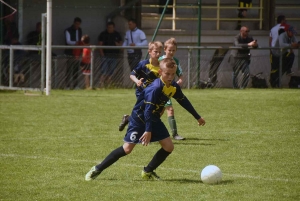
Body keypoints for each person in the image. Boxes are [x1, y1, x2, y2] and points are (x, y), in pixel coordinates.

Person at [85, 58, 206, 181]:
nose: (170, 77)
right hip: (140, 118)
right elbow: (147, 110)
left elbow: (183, 101)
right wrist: (147, 131)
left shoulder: (173, 87)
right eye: (167, 74)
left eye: (172, 74)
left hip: (153, 118)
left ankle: (148, 171)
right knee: (127, 149)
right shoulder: (155, 88)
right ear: (160, 72)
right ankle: (97, 169)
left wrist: (198, 117)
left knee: (169, 147)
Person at [118, 41, 163, 132]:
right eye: (155, 51)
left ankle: (128, 119)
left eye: (159, 52)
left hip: (155, 93)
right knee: (147, 111)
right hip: (142, 92)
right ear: (149, 52)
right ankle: (146, 133)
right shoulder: (143, 64)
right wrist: (137, 81)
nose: (158, 54)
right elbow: (132, 74)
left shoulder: (162, 66)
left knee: (151, 112)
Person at [158, 38, 185, 140]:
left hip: (167, 90)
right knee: (159, 112)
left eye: (173, 50)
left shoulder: (176, 61)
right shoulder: (160, 60)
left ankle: (175, 134)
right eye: (170, 50)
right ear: (165, 49)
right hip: (159, 90)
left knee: (168, 110)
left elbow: (181, 76)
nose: (171, 52)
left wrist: (177, 83)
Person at [98, 21, 123, 88]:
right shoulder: (103, 34)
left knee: (111, 72)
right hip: (105, 56)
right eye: (108, 27)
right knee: (104, 71)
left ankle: (109, 86)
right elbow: (100, 45)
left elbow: (121, 45)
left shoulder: (117, 34)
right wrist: (102, 55)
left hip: (114, 56)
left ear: (113, 28)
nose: (110, 29)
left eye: (111, 27)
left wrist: (117, 45)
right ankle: (101, 85)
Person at [64, 17, 83, 89]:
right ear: (74, 23)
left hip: (77, 52)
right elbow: (68, 41)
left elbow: (80, 39)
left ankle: (76, 85)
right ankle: (67, 85)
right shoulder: (68, 30)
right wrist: (76, 43)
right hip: (69, 52)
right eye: (76, 24)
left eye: (79, 24)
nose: (77, 25)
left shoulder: (80, 30)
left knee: (76, 69)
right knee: (69, 69)